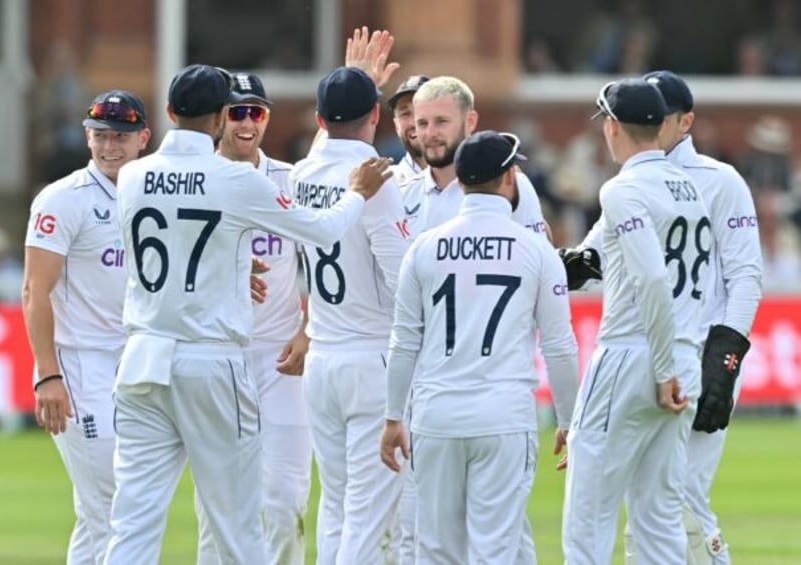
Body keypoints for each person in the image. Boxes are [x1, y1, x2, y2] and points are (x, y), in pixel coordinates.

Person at [103, 64, 392, 564]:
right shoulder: (235, 180)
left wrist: (231, 261)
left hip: (143, 359)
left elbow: (173, 242)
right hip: (209, 361)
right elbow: (322, 231)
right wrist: (358, 194)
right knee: (238, 523)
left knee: (131, 522)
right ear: (219, 118)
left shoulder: (132, 175)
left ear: (170, 113)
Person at [379, 130, 579, 564]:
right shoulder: (536, 249)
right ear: (508, 178)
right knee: (495, 551)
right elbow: (560, 346)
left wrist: (394, 414)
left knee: (435, 550)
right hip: (503, 416)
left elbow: (404, 340)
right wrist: (568, 419)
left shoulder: (424, 248)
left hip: (435, 415)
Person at [560, 78, 711, 564]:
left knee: (588, 515)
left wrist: (661, 368)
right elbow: (594, 264)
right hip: (685, 356)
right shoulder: (689, 187)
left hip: (634, 354)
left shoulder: (621, 188)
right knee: (659, 515)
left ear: (612, 127)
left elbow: (650, 279)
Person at [631, 71, 762, 564]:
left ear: (685, 122)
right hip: (643, 355)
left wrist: (724, 359)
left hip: (701, 354)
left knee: (679, 495)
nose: (646, 122)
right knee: (644, 497)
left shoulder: (719, 180)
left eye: (657, 115)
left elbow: (746, 276)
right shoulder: (627, 180)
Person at [21, 89, 151, 565]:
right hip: (80, 365)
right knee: (116, 506)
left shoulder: (150, 193)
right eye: (100, 136)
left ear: (143, 138)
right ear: (86, 136)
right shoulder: (63, 199)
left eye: (120, 136)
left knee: (97, 512)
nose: (109, 147)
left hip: (133, 362)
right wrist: (48, 374)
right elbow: (36, 290)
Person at [290, 66, 409, 565]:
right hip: (372, 358)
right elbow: (404, 274)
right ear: (377, 116)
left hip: (322, 358)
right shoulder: (377, 179)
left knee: (336, 505)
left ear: (319, 118)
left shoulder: (300, 174)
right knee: (368, 511)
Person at [193, 71, 313, 565]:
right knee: (216, 512)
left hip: (280, 361)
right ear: (220, 117)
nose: (247, 123)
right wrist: (223, 272)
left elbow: (327, 262)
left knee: (286, 503)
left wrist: (308, 331)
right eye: (237, 112)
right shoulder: (193, 181)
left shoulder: (291, 180)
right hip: (216, 357)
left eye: (256, 112)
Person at [401, 76, 549, 241]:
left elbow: (538, 257)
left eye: (441, 121)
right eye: (422, 123)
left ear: (470, 121)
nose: (430, 133)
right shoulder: (402, 195)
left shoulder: (512, 185)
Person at [387, 74, 430, 186]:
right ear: (396, 125)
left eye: (423, 109)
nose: (415, 122)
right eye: (405, 114)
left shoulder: (469, 180)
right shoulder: (385, 184)